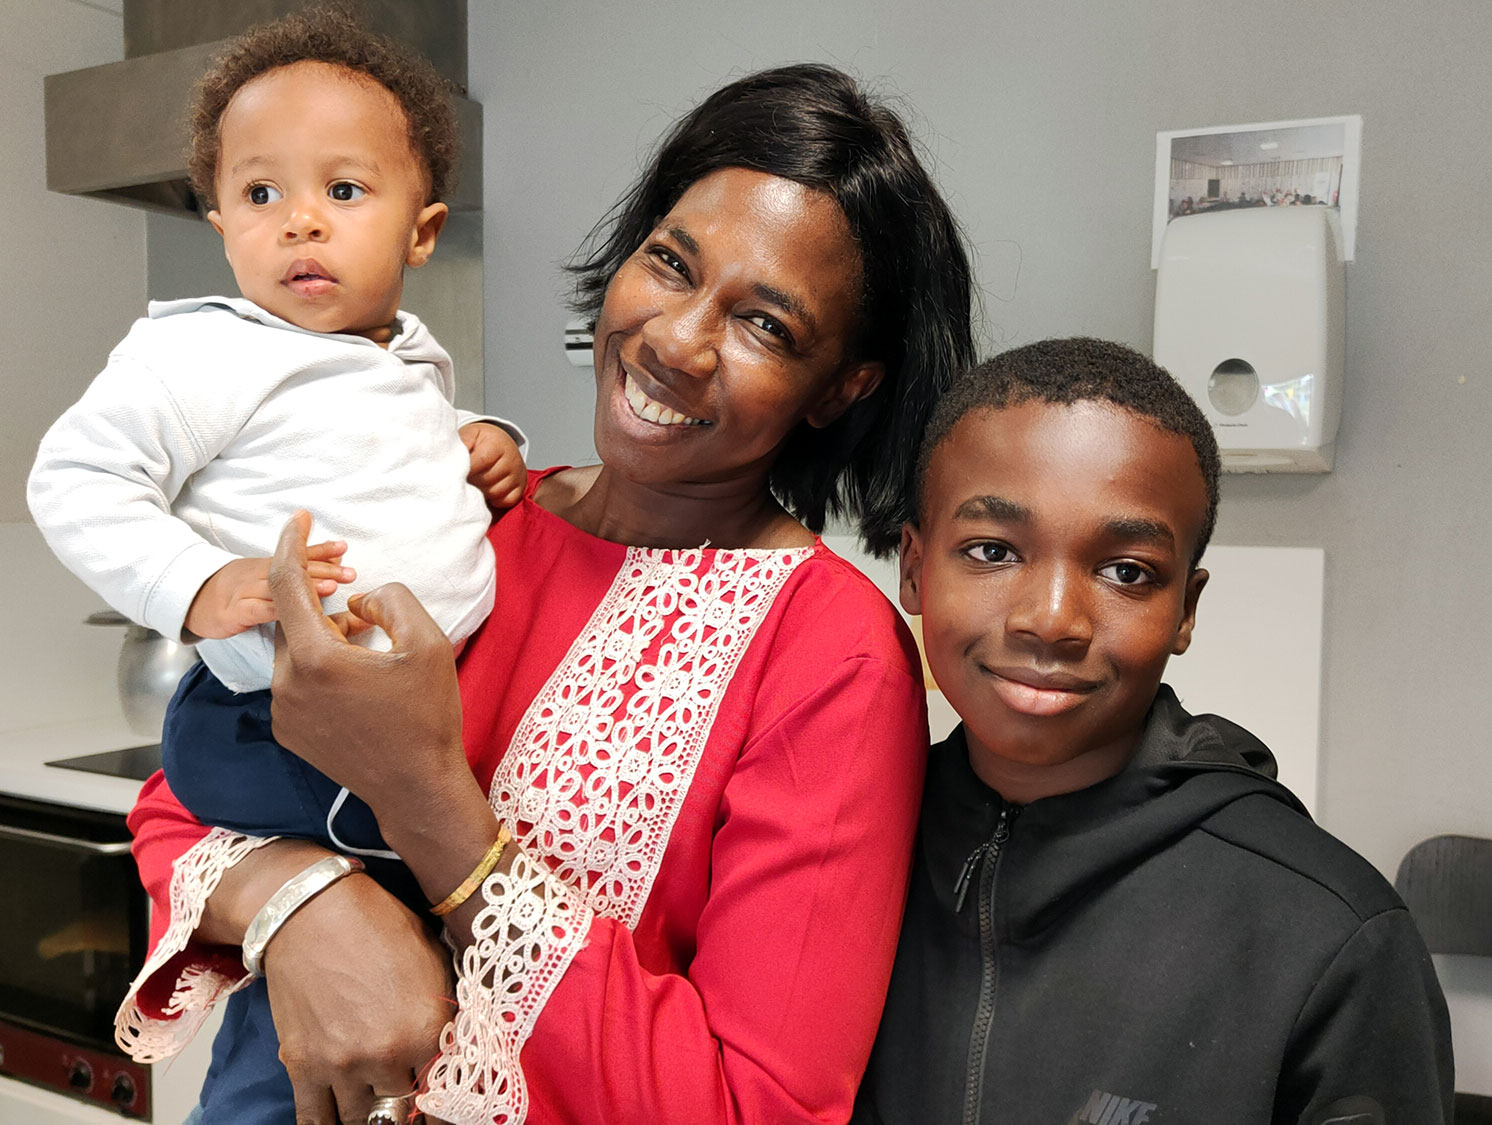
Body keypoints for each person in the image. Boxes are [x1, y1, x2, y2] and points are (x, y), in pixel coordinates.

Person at [112, 62, 977, 1125]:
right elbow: (187, 792)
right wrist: (306, 905)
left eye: (766, 326)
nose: (675, 341)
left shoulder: (829, 649)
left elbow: (761, 1107)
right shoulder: (468, 512)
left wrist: (433, 811)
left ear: (842, 385)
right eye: (669, 262)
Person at [852, 338, 1454, 1124]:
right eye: (993, 551)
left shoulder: (1330, 935)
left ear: (1186, 610)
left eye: (1126, 571)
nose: (1051, 620)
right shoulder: (840, 851)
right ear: (914, 569)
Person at [27, 9, 528, 870]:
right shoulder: (202, 351)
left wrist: (479, 437)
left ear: (422, 230)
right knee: (387, 917)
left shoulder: (402, 352)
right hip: (273, 724)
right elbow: (75, 477)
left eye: (342, 190)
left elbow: (378, 435)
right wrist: (198, 583)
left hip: (402, 713)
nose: (300, 220)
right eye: (262, 195)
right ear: (222, 230)